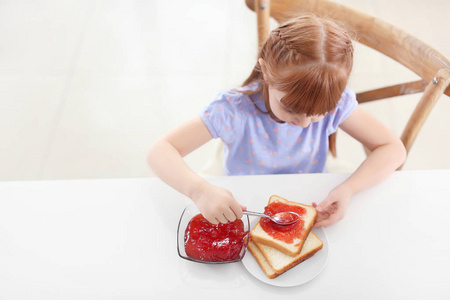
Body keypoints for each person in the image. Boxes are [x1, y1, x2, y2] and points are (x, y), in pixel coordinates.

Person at [148, 14, 406, 227]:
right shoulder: (233, 109)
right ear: (266, 73)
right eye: (292, 108)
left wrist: (349, 188)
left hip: (309, 193)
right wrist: (199, 190)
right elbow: (160, 151)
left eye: (319, 113)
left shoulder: (339, 104)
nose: (305, 124)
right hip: (244, 198)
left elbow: (393, 149)